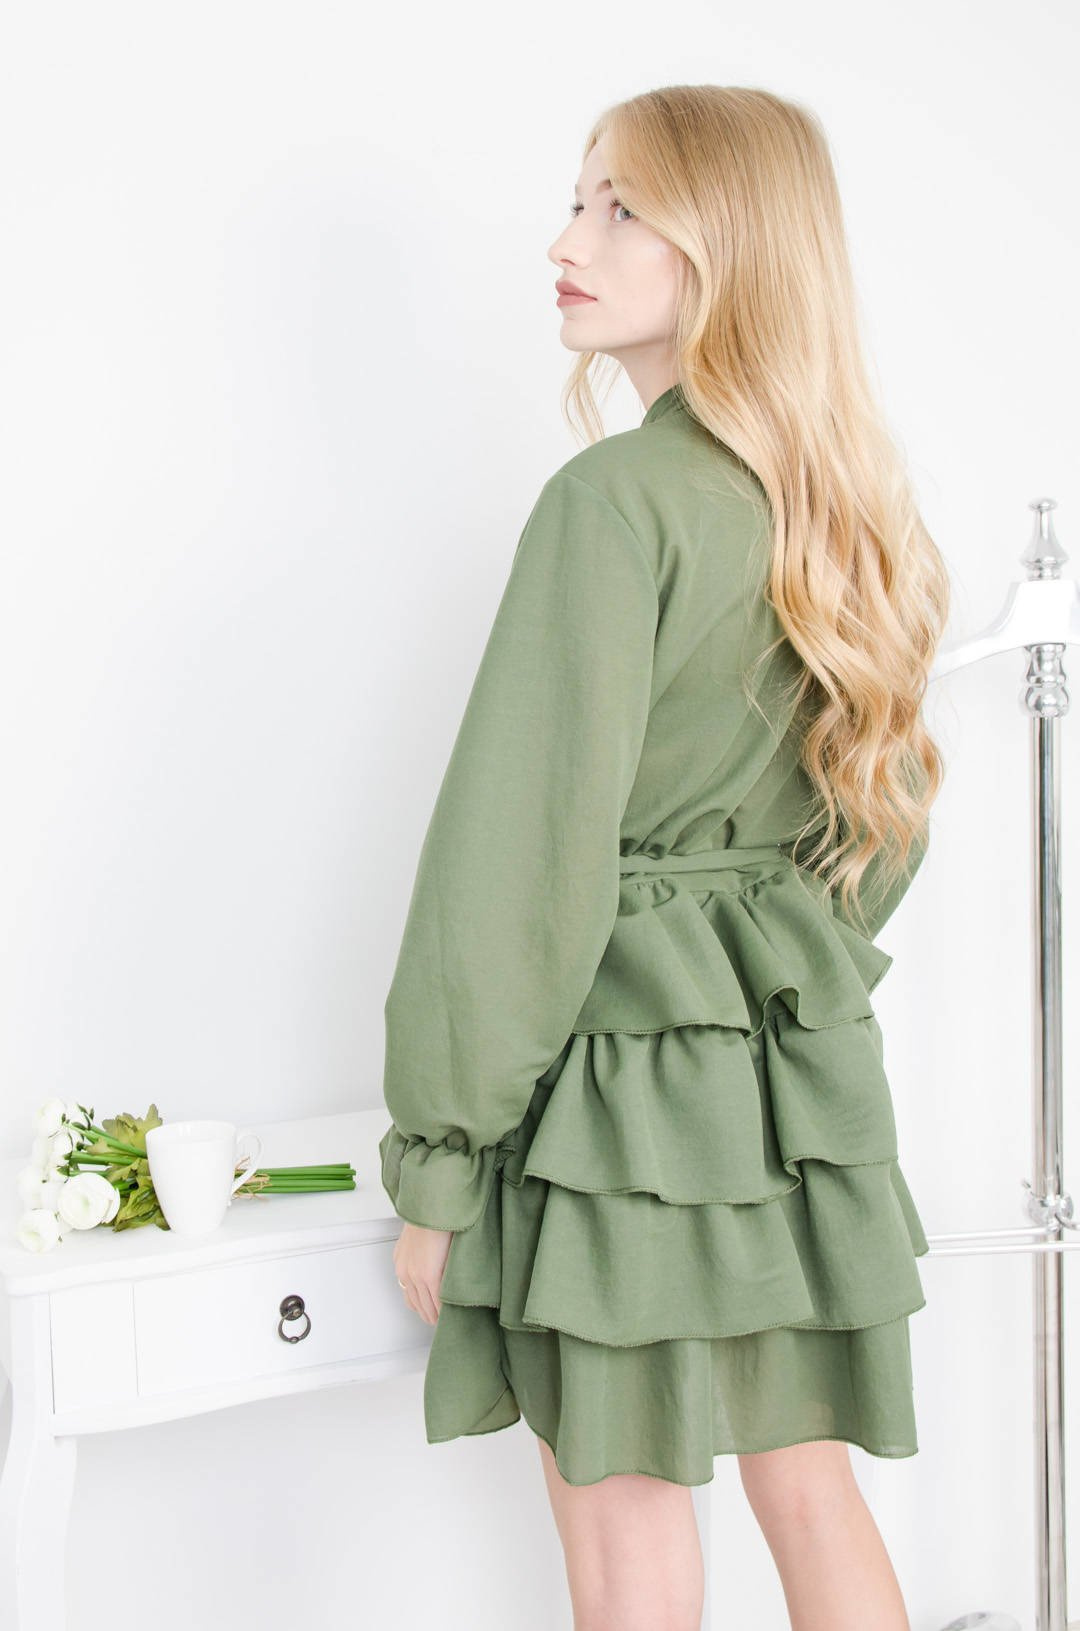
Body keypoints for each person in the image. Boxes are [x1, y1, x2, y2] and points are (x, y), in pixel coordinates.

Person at [378, 83, 949, 1631]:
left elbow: (518, 861)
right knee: (812, 1496)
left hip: (617, 1101)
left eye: (622, 208)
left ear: (730, 243)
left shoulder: (613, 506)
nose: (567, 243)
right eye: (580, 201)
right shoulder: (845, 511)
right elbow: (886, 825)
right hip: (787, 1094)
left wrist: (440, 1155)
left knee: (629, 1533)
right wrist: (770, 955)